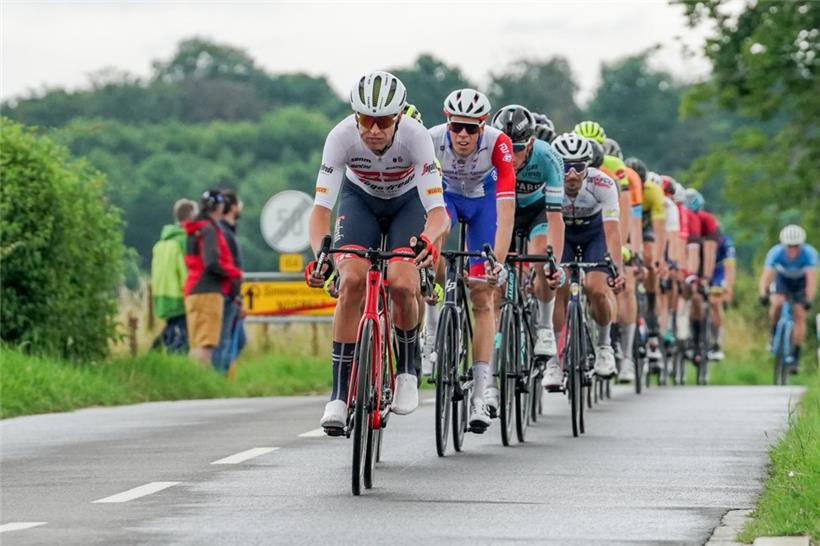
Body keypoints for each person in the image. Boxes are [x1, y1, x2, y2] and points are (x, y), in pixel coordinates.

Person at [305, 71, 449, 432]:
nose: (374, 130)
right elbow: (321, 208)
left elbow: (438, 213)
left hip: (407, 204)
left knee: (402, 283)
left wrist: (429, 241)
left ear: (398, 117)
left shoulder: (416, 138)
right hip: (360, 202)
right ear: (356, 117)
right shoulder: (339, 137)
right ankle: (338, 396)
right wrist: (321, 255)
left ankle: (407, 371)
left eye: (383, 121)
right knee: (351, 280)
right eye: (366, 120)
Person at [424, 88, 516, 430]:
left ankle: (480, 394)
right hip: (446, 198)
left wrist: (499, 261)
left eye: (471, 129)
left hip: (483, 204)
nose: (463, 135)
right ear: (447, 123)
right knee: (434, 243)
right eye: (456, 127)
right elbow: (423, 200)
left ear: (483, 126)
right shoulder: (431, 140)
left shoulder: (499, 143)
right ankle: (431, 328)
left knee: (481, 293)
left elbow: (506, 210)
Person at [491, 105, 565, 402]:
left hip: (536, 214)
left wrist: (553, 264)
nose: (512, 156)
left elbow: (556, 217)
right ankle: (494, 369)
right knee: (494, 288)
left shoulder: (548, 156)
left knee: (539, 262)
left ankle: (545, 326)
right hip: (503, 211)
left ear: (531, 143)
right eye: (507, 147)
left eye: (518, 149)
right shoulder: (490, 152)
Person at [550, 133, 625, 380]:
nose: (571, 174)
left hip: (594, 233)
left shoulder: (603, 183)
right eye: (565, 166)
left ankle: (604, 347)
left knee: (596, 288)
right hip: (563, 233)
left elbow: (613, 232)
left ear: (588, 167)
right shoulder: (549, 182)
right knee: (558, 286)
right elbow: (542, 227)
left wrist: (618, 270)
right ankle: (553, 358)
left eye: (578, 167)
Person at [183, 190, 243, 367]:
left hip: (194, 289)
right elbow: (211, 262)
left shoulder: (196, 228)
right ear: (218, 206)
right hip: (208, 290)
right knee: (207, 343)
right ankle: (200, 383)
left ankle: (192, 381)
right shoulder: (209, 229)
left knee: (197, 342)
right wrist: (234, 273)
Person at [759, 225, 817, 369]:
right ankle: (773, 335)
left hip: (801, 282)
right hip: (783, 280)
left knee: (799, 313)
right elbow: (766, 276)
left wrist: (808, 298)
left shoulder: (809, 253)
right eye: (789, 246)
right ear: (783, 245)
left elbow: (812, 279)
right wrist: (763, 294)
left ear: (801, 245)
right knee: (777, 304)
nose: (792, 250)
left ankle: (796, 354)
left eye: (796, 246)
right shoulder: (775, 252)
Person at [151, 199, 198, 353]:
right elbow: (187, 271)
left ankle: (156, 353)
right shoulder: (184, 241)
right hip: (180, 297)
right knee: (181, 340)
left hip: (162, 297)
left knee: (172, 330)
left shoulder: (161, 243)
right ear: (190, 217)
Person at [212, 189, 245, 376]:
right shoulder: (223, 232)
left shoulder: (226, 231)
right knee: (223, 339)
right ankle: (219, 377)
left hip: (233, 294)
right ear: (232, 207)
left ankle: (223, 375)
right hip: (227, 294)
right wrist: (234, 295)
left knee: (238, 339)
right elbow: (226, 265)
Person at [707, 233, 736, 361]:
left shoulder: (726, 243)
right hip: (700, 266)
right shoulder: (698, 237)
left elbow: (730, 266)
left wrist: (728, 287)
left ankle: (717, 341)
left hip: (718, 271)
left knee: (714, 302)